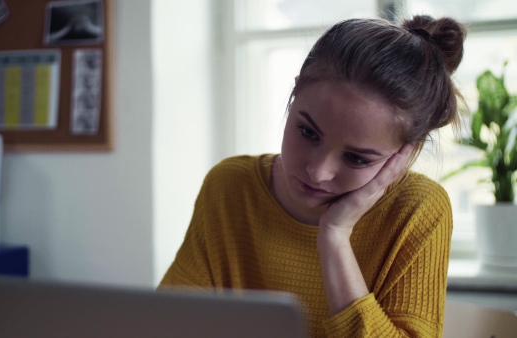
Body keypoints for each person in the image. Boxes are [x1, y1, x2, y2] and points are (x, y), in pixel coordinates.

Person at [160, 14, 466, 337]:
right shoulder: (229, 187)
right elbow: (163, 323)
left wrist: (334, 237)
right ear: (294, 96)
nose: (317, 172)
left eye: (356, 158)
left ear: (404, 154)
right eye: (307, 132)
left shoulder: (418, 210)